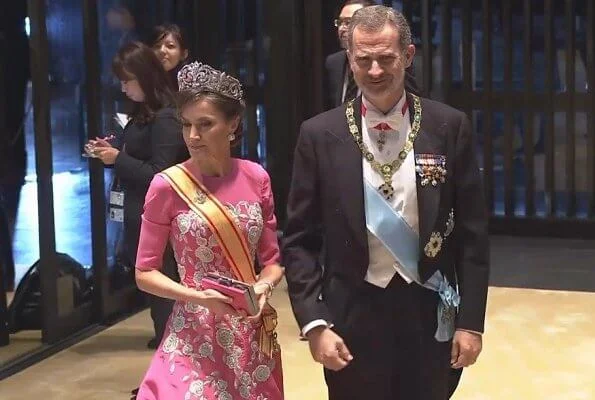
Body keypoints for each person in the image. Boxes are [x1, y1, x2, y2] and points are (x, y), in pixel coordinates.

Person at [283, 5, 489, 399]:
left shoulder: (447, 126)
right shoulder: (318, 134)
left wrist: (471, 322)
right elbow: (299, 240)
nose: (375, 71)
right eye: (364, 60)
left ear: (408, 56)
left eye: (386, 58)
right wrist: (314, 322)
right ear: (349, 59)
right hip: (350, 316)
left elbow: (472, 235)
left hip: (430, 312)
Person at [133, 61, 285, 400]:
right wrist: (197, 298)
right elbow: (144, 273)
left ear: (233, 125)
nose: (193, 136)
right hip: (193, 330)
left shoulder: (256, 177)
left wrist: (263, 286)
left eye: (205, 124)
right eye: (186, 125)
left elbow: (273, 261)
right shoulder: (167, 186)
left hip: (248, 329)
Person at [89, 41, 188, 348]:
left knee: (165, 299)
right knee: (158, 299)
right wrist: (113, 151)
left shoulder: (166, 116)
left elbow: (161, 173)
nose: (123, 88)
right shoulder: (145, 112)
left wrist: (117, 158)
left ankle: (168, 379)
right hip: (141, 216)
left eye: (127, 80)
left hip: (160, 222)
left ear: (145, 77)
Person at [324, 0, 420, 110]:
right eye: (340, 22)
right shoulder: (333, 62)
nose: (342, 28)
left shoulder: (396, 59)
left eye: (349, 22)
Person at [148, 23, 190, 91]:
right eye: (157, 46)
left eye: (170, 46)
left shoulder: (192, 83)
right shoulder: (144, 82)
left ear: (183, 54)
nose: (162, 51)